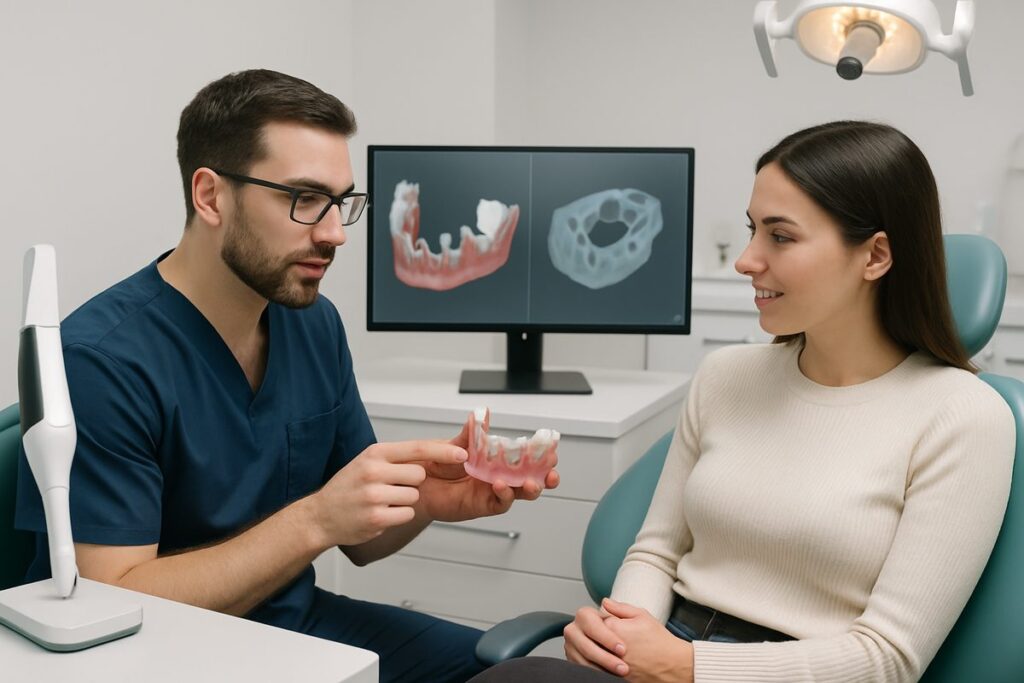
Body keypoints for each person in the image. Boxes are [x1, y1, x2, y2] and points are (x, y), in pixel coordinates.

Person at [14, 69, 558, 683]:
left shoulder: (312, 323)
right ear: (210, 196)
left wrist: (428, 501)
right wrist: (315, 519)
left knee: (532, 676)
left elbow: (360, 541)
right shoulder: (101, 361)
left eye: (342, 203)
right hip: (153, 657)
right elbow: (112, 601)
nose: (333, 234)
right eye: (303, 199)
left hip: (295, 626)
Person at [471, 121, 1015, 683]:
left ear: (875, 256)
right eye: (754, 230)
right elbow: (656, 552)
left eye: (780, 236)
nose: (746, 259)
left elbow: (886, 659)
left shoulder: (963, 417)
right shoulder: (726, 375)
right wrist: (620, 641)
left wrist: (687, 667)